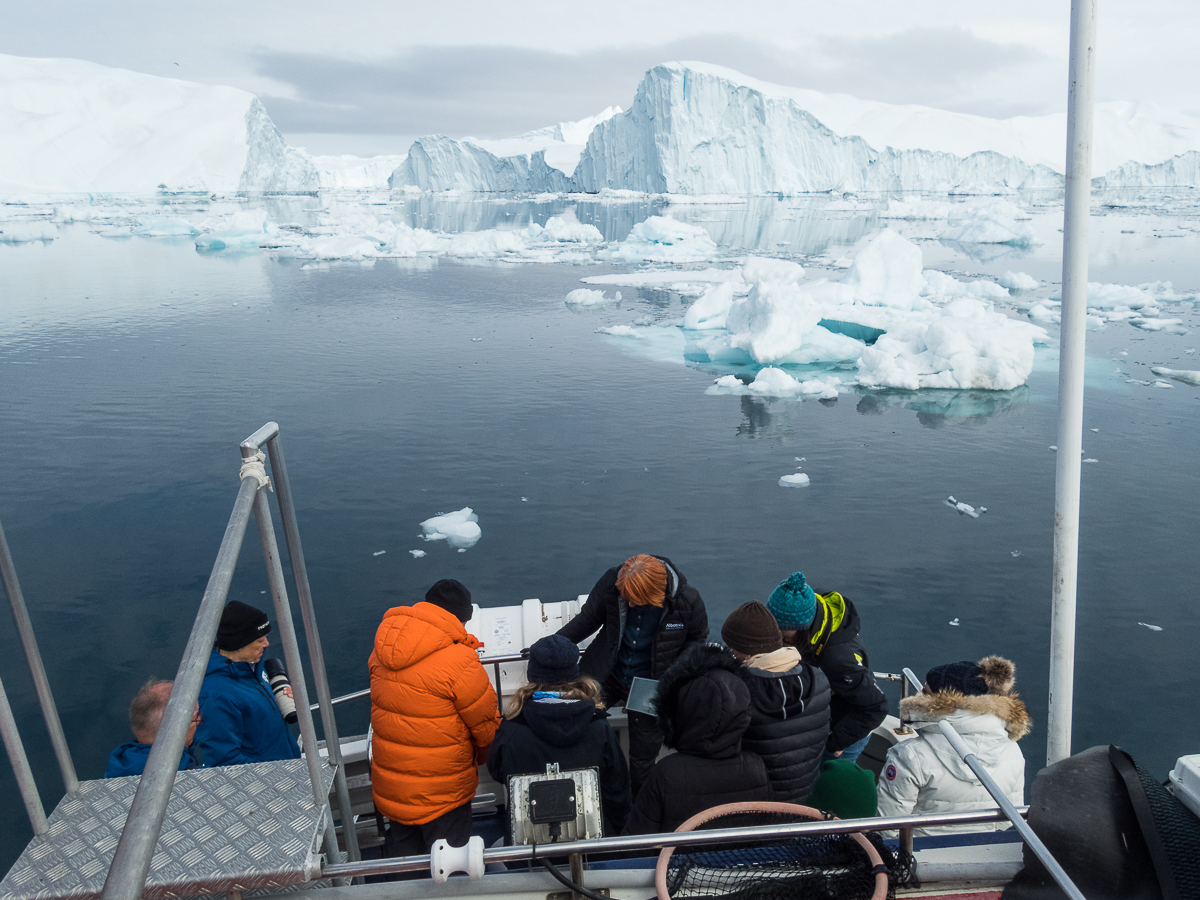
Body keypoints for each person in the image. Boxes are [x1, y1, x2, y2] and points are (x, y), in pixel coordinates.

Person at [557, 554, 708, 795]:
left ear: (656, 595)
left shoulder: (688, 601)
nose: (630, 605)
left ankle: (638, 808)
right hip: (605, 673)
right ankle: (586, 795)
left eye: (637, 601)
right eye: (626, 598)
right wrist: (553, 644)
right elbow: (586, 621)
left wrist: (673, 677)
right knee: (575, 732)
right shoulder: (612, 582)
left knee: (642, 760)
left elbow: (697, 640)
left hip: (651, 687)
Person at [370, 579, 501, 858]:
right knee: (447, 867)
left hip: (393, 790)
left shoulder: (382, 648)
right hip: (442, 794)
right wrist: (481, 759)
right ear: (461, 617)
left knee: (405, 869)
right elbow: (485, 727)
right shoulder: (460, 660)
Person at [486, 635, 631, 837]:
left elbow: (497, 772)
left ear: (532, 675)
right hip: (589, 837)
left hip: (530, 844)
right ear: (574, 674)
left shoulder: (511, 728)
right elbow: (617, 788)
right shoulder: (598, 725)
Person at [623, 644, 771, 835]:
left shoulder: (667, 773)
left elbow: (636, 842)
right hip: (741, 864)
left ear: (679, 712)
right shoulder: (756, 767)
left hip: (675, 864)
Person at [876, 656, 1029, 836]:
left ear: (938, 703)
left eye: (925, 692)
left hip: (918, 851)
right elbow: (1010, 817)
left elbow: (887, 826)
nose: (918, 697)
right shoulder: (1012, 750)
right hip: (982, 848)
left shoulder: (910, 755)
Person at [766, 572, 887, 765]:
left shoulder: (839, 660)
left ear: (802, 626)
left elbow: (875, 707)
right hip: (825, 712)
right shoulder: (812, 605)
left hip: (843, 731)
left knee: (829, 785)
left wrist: (834, 742)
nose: (776, 632)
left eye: (781, 628)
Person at [721, 601, 831, 803]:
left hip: (753, 801)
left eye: (733, 648)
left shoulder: (737, 690)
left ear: (746, 652)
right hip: (802, 799)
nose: (731, 653)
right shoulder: (819, 680)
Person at [195, 601, 301, 766]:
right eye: (260, 640)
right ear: (238, 644)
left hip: (286, 766)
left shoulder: (252, 666)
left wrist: (280, 698)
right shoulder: (215, 696)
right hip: (268, 782)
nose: (267, 644)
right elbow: (223, 761)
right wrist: (276, 775)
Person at [105, 678, 203, 778]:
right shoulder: (192, 777)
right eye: (196, 717)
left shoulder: (118, 767)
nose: (200, 720)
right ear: (174, 733)